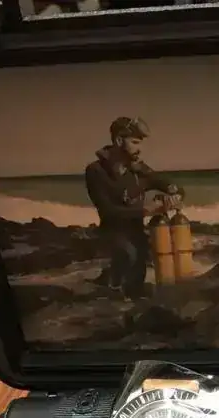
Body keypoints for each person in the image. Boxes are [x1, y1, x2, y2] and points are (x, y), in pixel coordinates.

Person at [84, 116, 185, 299]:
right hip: (113, 233)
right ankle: (110, 288)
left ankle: (127, 294)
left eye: (140, 143)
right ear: (119, 141)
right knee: (128, 256)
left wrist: (174, 196)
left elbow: (170, 185)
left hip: (136, 234)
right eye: (135, 142)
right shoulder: (96, 171)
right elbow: (108, 211)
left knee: (138, 272)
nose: (140, 148)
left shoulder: (139, 171)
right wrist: (146, 210)